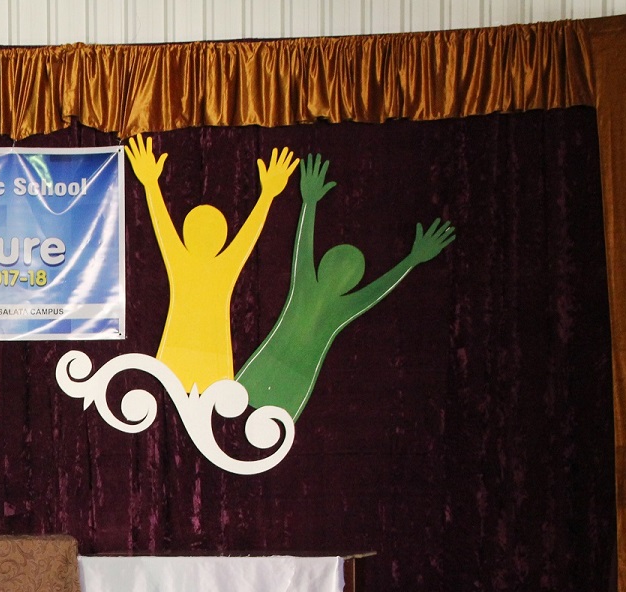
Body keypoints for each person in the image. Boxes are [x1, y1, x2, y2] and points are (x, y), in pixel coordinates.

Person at [235, 153, 456, 419]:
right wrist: (411, 260)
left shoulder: (318, 292)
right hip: (282, 373)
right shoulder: (328, 298)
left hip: (284, 374)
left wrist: (310, 202)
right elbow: (374, 288)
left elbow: (309, 250)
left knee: (248, 415)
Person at [126, 135, 300, 392]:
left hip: (188, 354)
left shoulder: (188, 261)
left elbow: (164, 225)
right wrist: (267, 196)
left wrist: (151, 184)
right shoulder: (213, 265)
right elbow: (247, 237)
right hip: (202, 355)